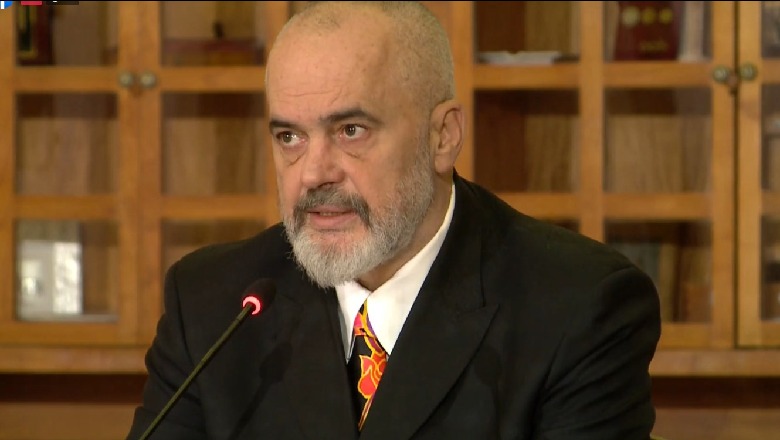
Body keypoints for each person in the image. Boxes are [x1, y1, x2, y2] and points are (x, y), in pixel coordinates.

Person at [126, 2, 661, 439]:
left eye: (351, 131)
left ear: (443, 136)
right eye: (290, 137)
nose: (313, 173)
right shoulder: (214, 306)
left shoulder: (578, 307)